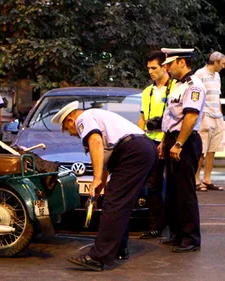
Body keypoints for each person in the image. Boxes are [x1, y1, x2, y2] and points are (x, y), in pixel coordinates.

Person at [56, 101, 157, 271]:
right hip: (142, 150)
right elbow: (103, 162)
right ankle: (118, 248)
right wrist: (98, 189)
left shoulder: (83, 118)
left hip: (133, 152)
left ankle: (98, 257)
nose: (73, 135)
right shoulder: (98, 119)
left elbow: (95, 142)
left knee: (114, 204)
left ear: (70, 120)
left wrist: (95, 178)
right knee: (118, 201)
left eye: (69, 130)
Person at [158, 48, 205, 253]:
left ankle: (191, 238)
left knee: (185, 191)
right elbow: (170, 117)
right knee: (173, 191)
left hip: (184, 141)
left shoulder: (194, 86)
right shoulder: (176, 85)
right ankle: (177, 234)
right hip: (172, 139)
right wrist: (164, 141)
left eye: (170, 63)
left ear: (182, 62)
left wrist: (178, 143)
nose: (166, 67)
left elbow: (191, 117)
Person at [137, 51, 177, 239]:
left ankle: (175, 227)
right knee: (153, 185)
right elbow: (143, 118)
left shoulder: (177, 87)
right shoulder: (147, 91)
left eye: (154, 68)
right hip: (150, 141)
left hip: (171, 140)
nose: (151, 72)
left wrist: (165, 141)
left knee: (174, 186)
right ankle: (156, 225)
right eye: (149, 69)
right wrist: (138, 139)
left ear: (165, 67)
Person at [194, 51, 225, 191]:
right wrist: (201, 115)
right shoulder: (200, 74)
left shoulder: (217, 76)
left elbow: (217, 96)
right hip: (206, 116)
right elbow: (195, 93)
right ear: (216, 62)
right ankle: (196, 179)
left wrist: (220, 114)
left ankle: (207, 179)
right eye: (223, 63)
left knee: (212, 150)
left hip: (217, 116)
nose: (224, 67)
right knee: (201, 149)